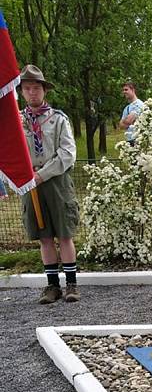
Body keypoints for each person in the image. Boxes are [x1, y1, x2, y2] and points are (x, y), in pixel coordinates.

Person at [19, 65, 79, 303]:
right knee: (44, 236)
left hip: (56, 181)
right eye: (27, 88)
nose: (32, 92)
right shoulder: (17, 123)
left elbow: (67, 152)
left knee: (64, 233)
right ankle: (52, 286)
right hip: (29, 184)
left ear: (44, 90)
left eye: (36, 88)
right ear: (22, 92)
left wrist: (43, 174)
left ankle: (71, 284)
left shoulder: (58, 119)